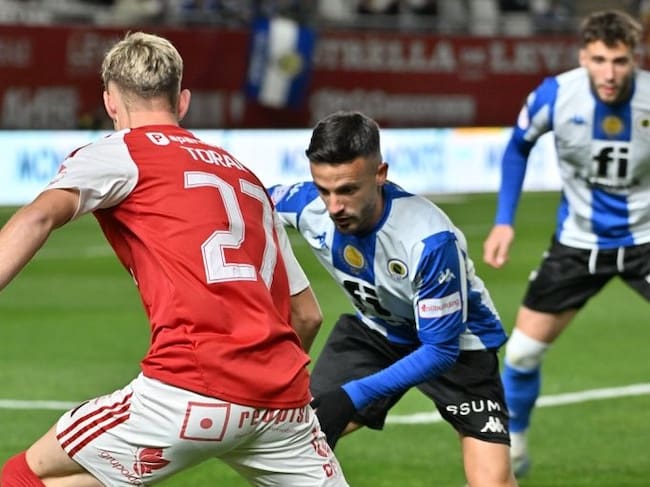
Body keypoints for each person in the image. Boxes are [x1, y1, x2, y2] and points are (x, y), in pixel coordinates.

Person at [0, 32, 348, 487]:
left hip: (187, 390)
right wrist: (255, 389)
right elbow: (307, 314)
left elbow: (39, 217)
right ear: (183, 101)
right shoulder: (245, 178)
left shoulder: (121, 151)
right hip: (282, 404)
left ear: (109, 102)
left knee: (25, 475)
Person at [269, 110, 518, 487]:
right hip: (376, 332)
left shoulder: (428, 240)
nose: (334, 207)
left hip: (458, 345)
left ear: (380, 174)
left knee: (492, 484)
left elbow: (440, 350)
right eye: (324, 190)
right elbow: (245, 197)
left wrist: (352, 396)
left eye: (348, 190)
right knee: (294, 443)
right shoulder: (307, 206)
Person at [482, 9, 650, 478]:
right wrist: (503, 221)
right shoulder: (555, 95)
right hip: (577, 244)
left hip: (646, 240)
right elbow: (518, 147)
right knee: (521, 354)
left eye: (619, 61)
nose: (609, 74)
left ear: (635, 58)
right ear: (583, 57)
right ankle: (514, 446)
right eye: (599, 60)